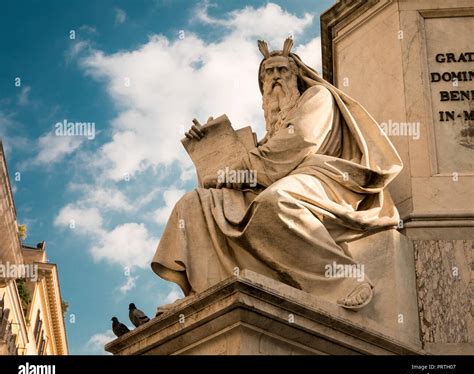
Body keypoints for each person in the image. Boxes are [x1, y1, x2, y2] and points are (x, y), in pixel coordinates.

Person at [151, 38, 402, 311]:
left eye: (282, 70)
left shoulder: (318, 97)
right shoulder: (272, 127)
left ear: (296, 75)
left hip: (327, 176)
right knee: (193, 203)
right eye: (268, 74)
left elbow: (298, 144)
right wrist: (209, 147)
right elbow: (257, 163)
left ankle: (345, 280)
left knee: (277, 201)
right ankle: (205, 289)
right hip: (276, 179)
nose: (275, 78)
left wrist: (236, 168)